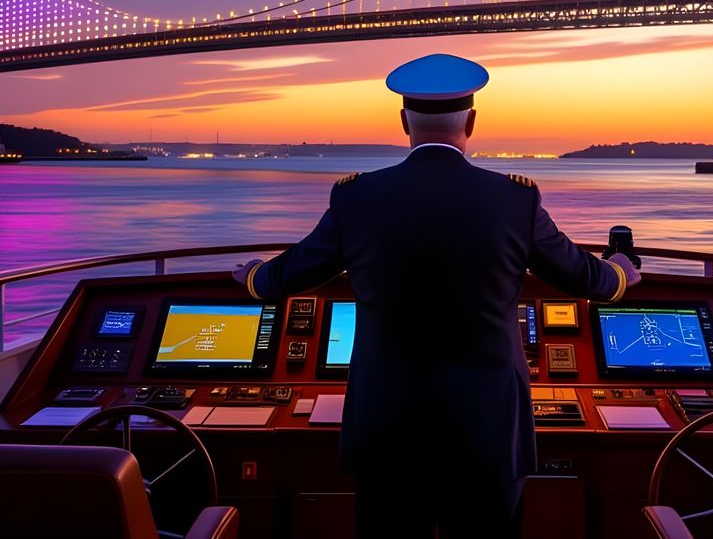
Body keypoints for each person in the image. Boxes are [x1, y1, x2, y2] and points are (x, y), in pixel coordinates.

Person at [232, 52, 641, 539]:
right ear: (472, 119)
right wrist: (618, 274)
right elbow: (580, 276)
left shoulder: (356, 198)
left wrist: (253, 275)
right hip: (488, 432)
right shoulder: (515, 200)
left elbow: (291, 274)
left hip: (387, 430)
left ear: (403, 121)